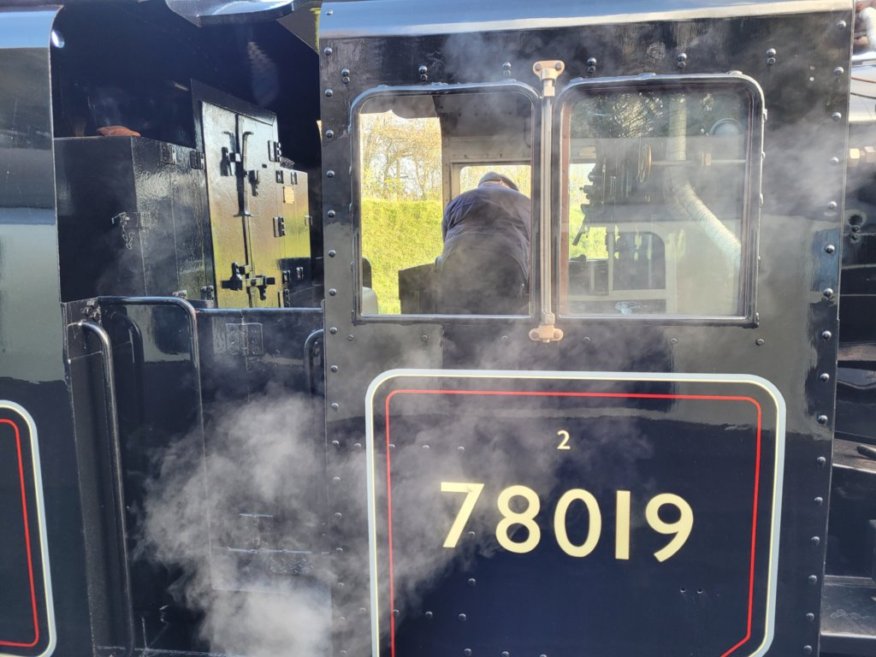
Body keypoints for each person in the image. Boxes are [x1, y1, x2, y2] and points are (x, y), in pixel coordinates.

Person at [435, 171, 531, 314]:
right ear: (502, 184)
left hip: (457, 259)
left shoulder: (457, 201)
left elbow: (446, 239)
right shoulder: (524, 202)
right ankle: (508, 335)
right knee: (507, 313)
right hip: (509, 260)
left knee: (459, 309)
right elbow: (538, 245)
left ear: (482, 185)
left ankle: (457, 333)